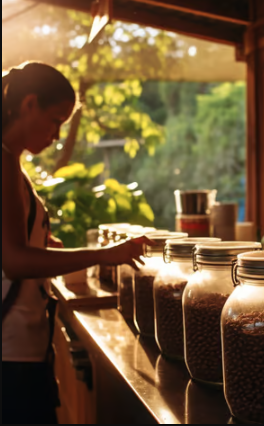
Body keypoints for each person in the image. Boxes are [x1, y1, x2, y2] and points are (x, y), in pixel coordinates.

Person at [2, 62, 153, 424]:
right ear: (29, 105)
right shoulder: (3, 162)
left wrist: (42, 242)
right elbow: (15, 262)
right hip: (11, 357)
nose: (56, 135)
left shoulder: (11, 162)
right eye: (56, 120)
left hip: (22, 351)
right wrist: (106, 254)